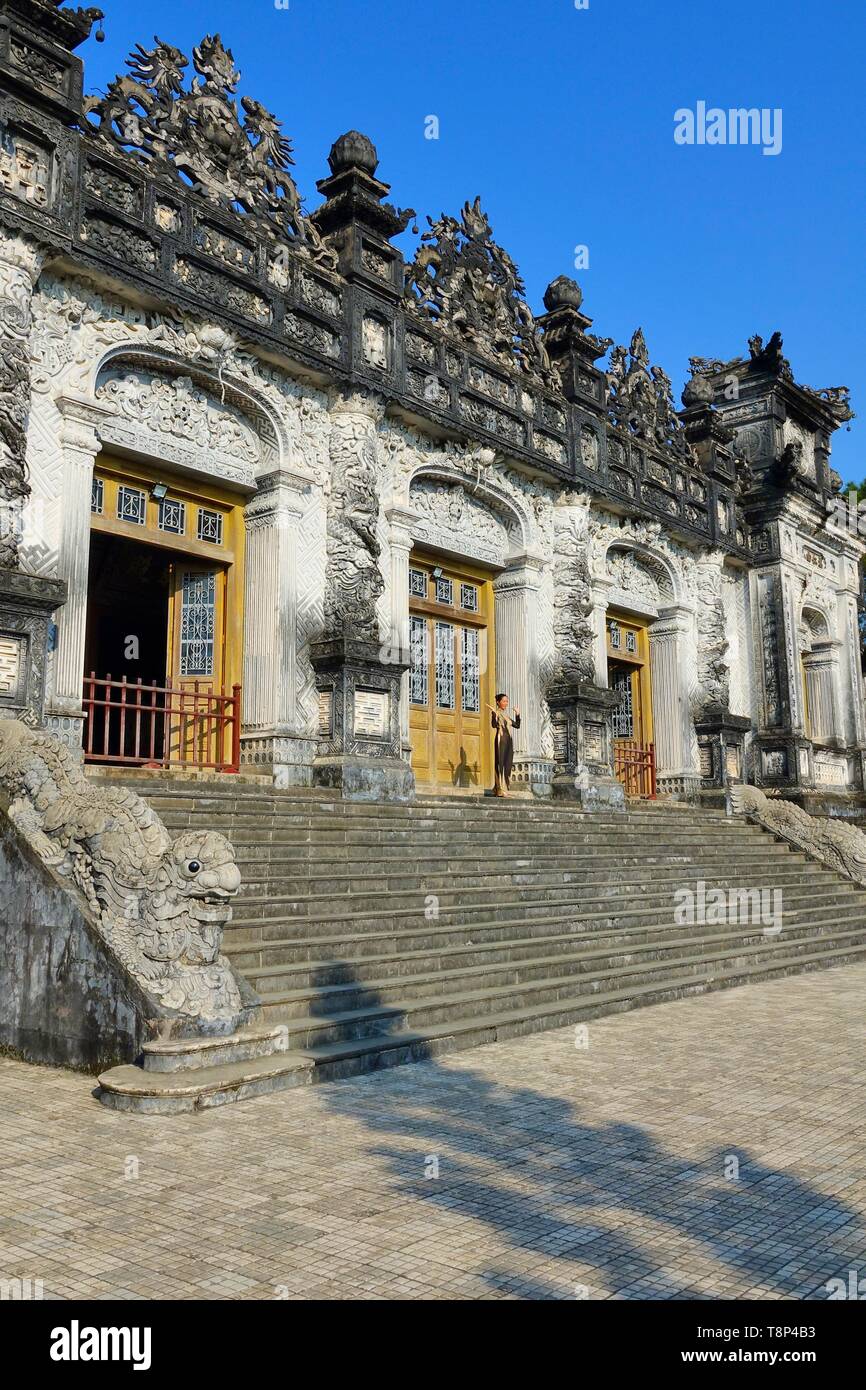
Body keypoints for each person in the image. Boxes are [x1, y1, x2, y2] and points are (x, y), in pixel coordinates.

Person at [490, 692, 520, 797]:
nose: (506, 703)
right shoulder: (496, 713)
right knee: (500, 763)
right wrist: (494, 715)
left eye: (507, 701)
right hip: (500, 740)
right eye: (504, 701)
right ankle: (500, 789)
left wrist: (517, 714)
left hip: (509, 741)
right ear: (498, 702)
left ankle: (499, 788)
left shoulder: (506, 715)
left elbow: (517, 725)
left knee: (507, 763)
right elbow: (494, 725)